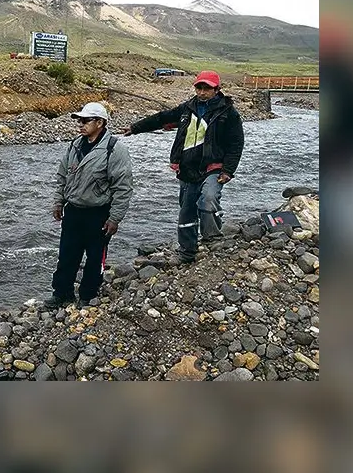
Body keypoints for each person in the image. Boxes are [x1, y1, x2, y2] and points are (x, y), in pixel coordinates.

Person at [120, 70, 244, 265]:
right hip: (187, 167)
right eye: (199, 87)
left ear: (217, 89)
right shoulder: (188, 108)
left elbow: (236, 143)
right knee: (186, 210)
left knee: (209, 198)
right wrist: (136, 128)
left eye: (207, 88)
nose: (202, 92)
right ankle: (187, 252)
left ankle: (213, 238)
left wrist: (228, 170)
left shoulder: (228, 113)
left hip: (213, 166)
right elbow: (162, 118)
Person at [45, 102, 134, 310]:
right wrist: (59, 202)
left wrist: (115, 218)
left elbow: (123, 187)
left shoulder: (115, 149)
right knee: (67, 254)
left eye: (85, 120)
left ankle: (88, 296)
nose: (80, 124)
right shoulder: (75, 145)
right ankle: (62, 294)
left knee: (95, 258)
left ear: (100, 123)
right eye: (79, 120)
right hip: (73, 211)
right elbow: (62, 177)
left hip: (99, 214)